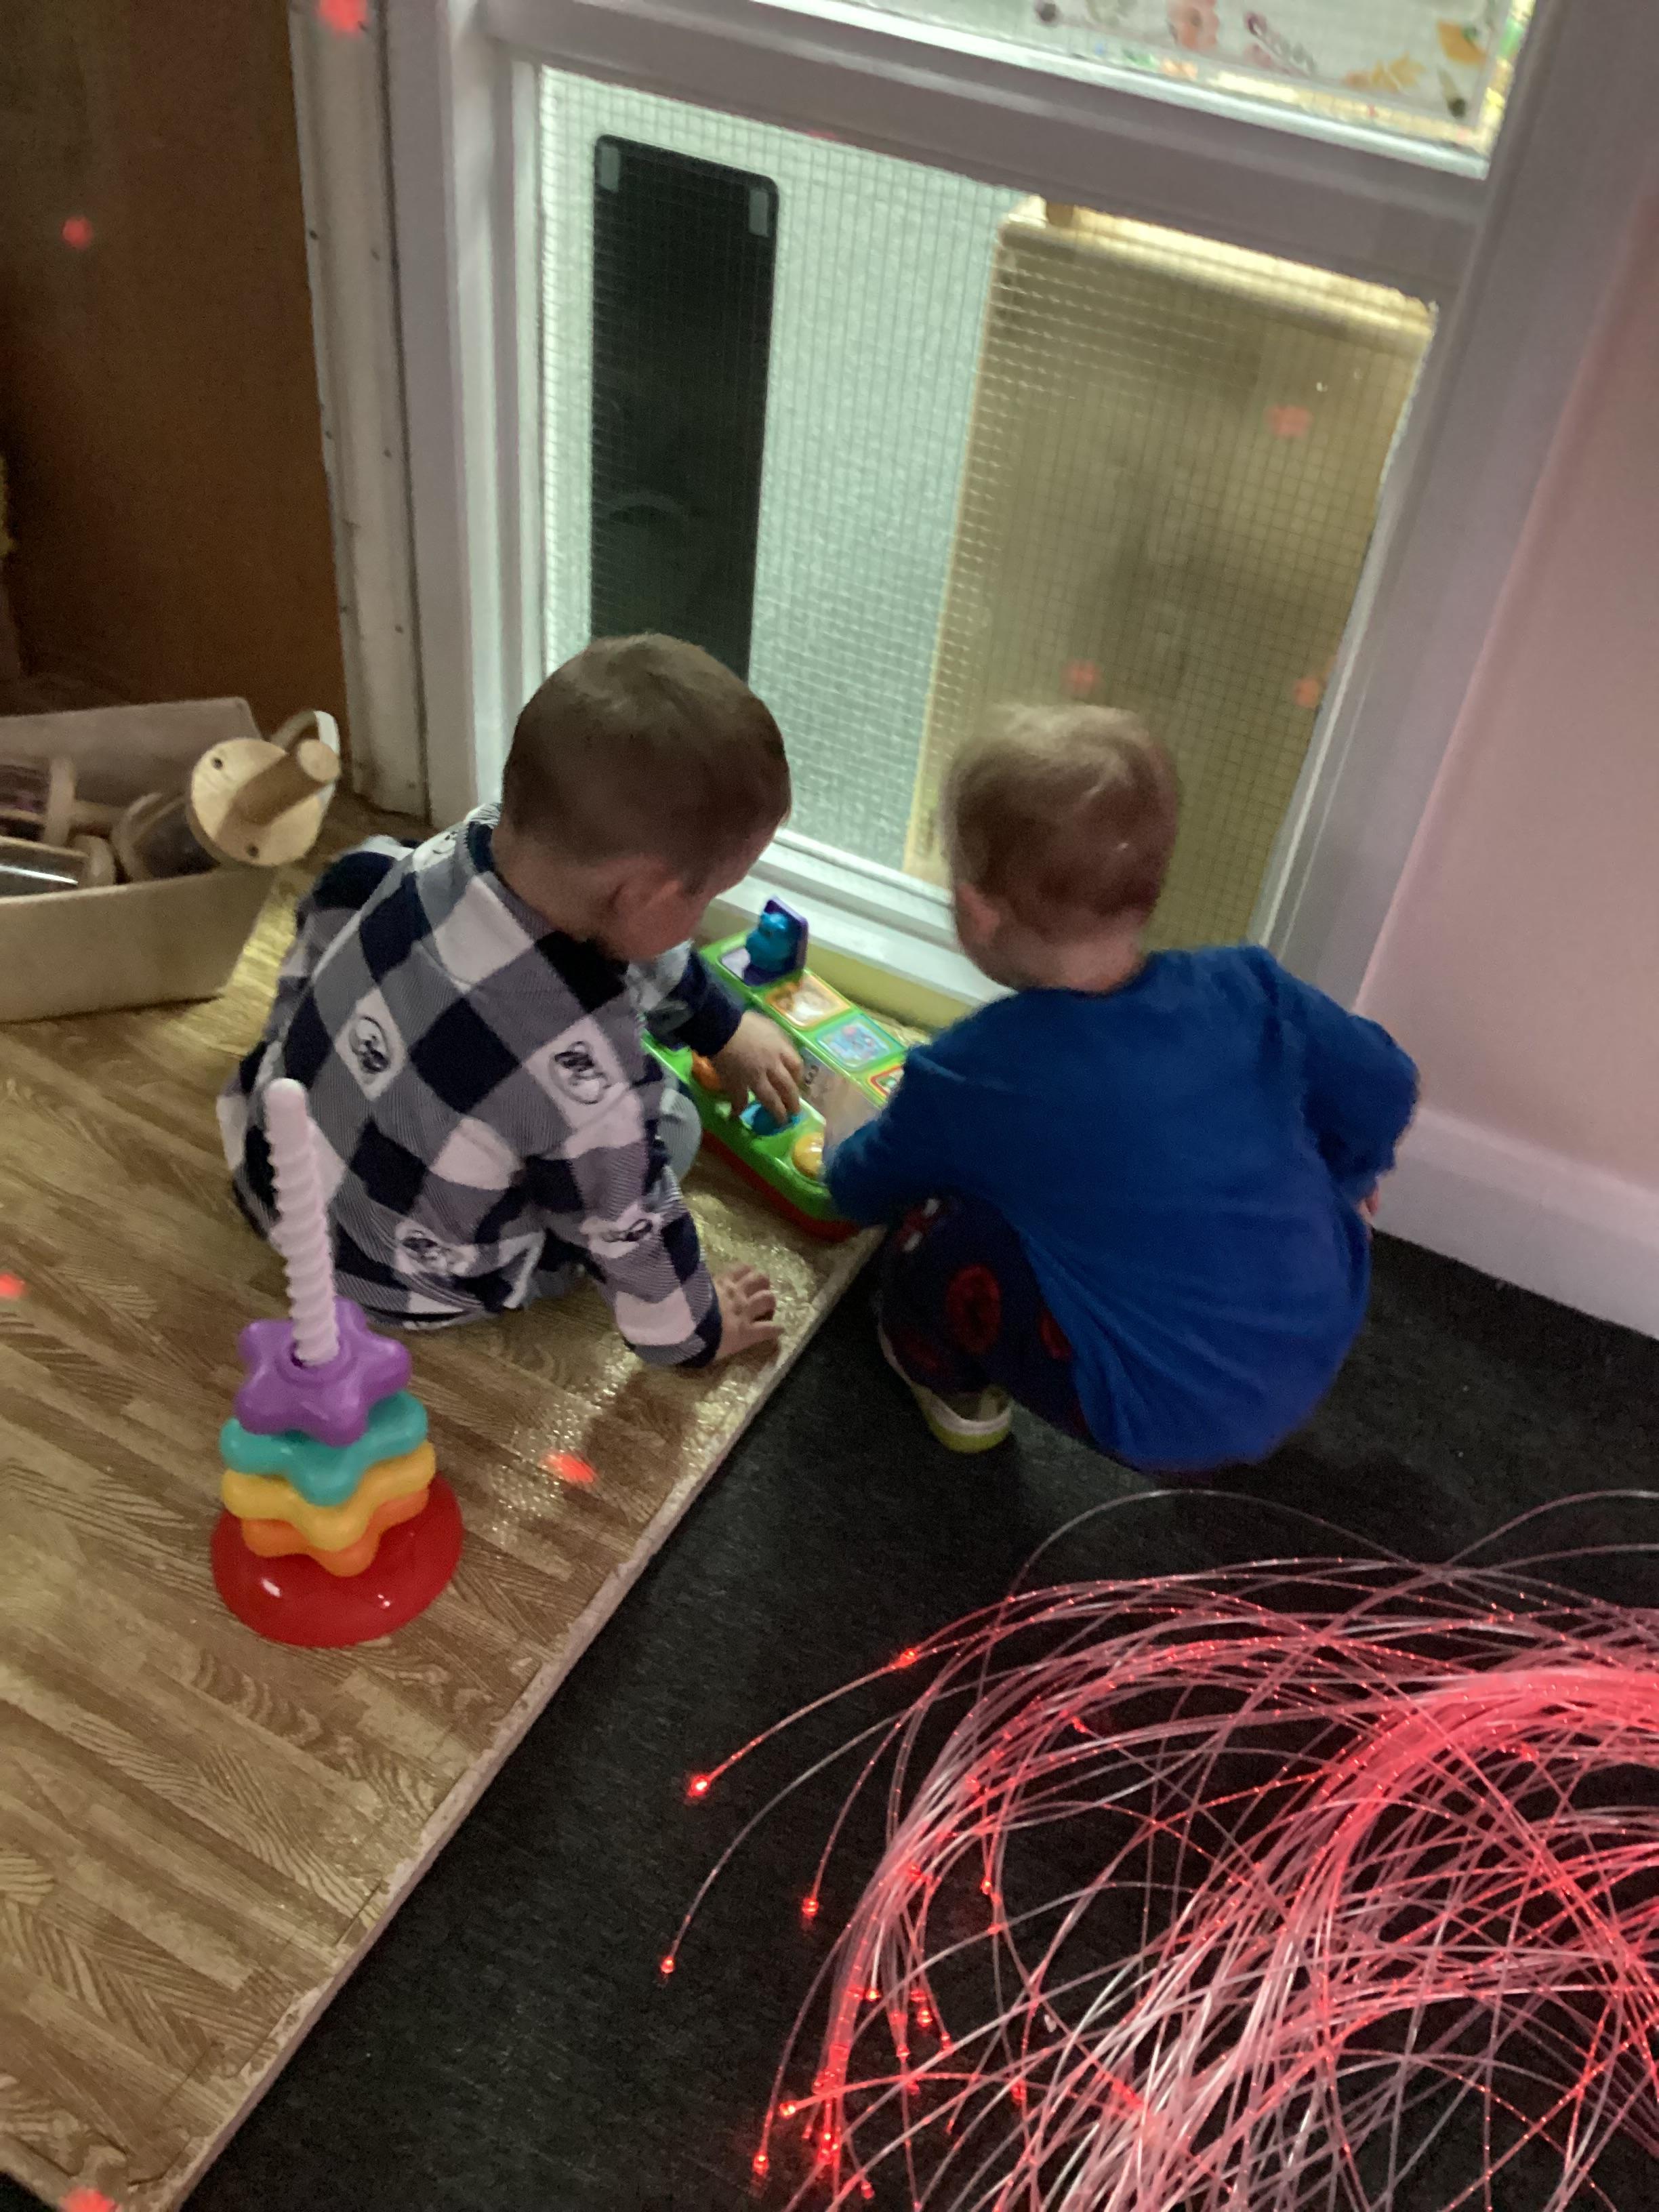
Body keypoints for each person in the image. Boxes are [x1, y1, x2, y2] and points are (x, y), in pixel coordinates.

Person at [825, 704, 1418, 1471]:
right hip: (1318, 1331)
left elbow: (861, 1189)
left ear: (976, 912)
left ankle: (941, 1373)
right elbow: (1386, 1086)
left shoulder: (976, 1070)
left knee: (932, 1230)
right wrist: (1351, 1176)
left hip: (1161, 1413)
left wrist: (842, 1129)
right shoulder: (1248, 986)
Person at [220, 634, 802, 1368]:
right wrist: (700, 1334)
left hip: (270, 1165)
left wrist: (721, 1026)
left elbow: (627, 940)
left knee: (369, 865)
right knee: (671, 1122)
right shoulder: (589, 1076)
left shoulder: (463, 847)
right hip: (397, 1277)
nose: (707, 914)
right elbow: (634, 1229)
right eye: (709, 895)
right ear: (647, 894)